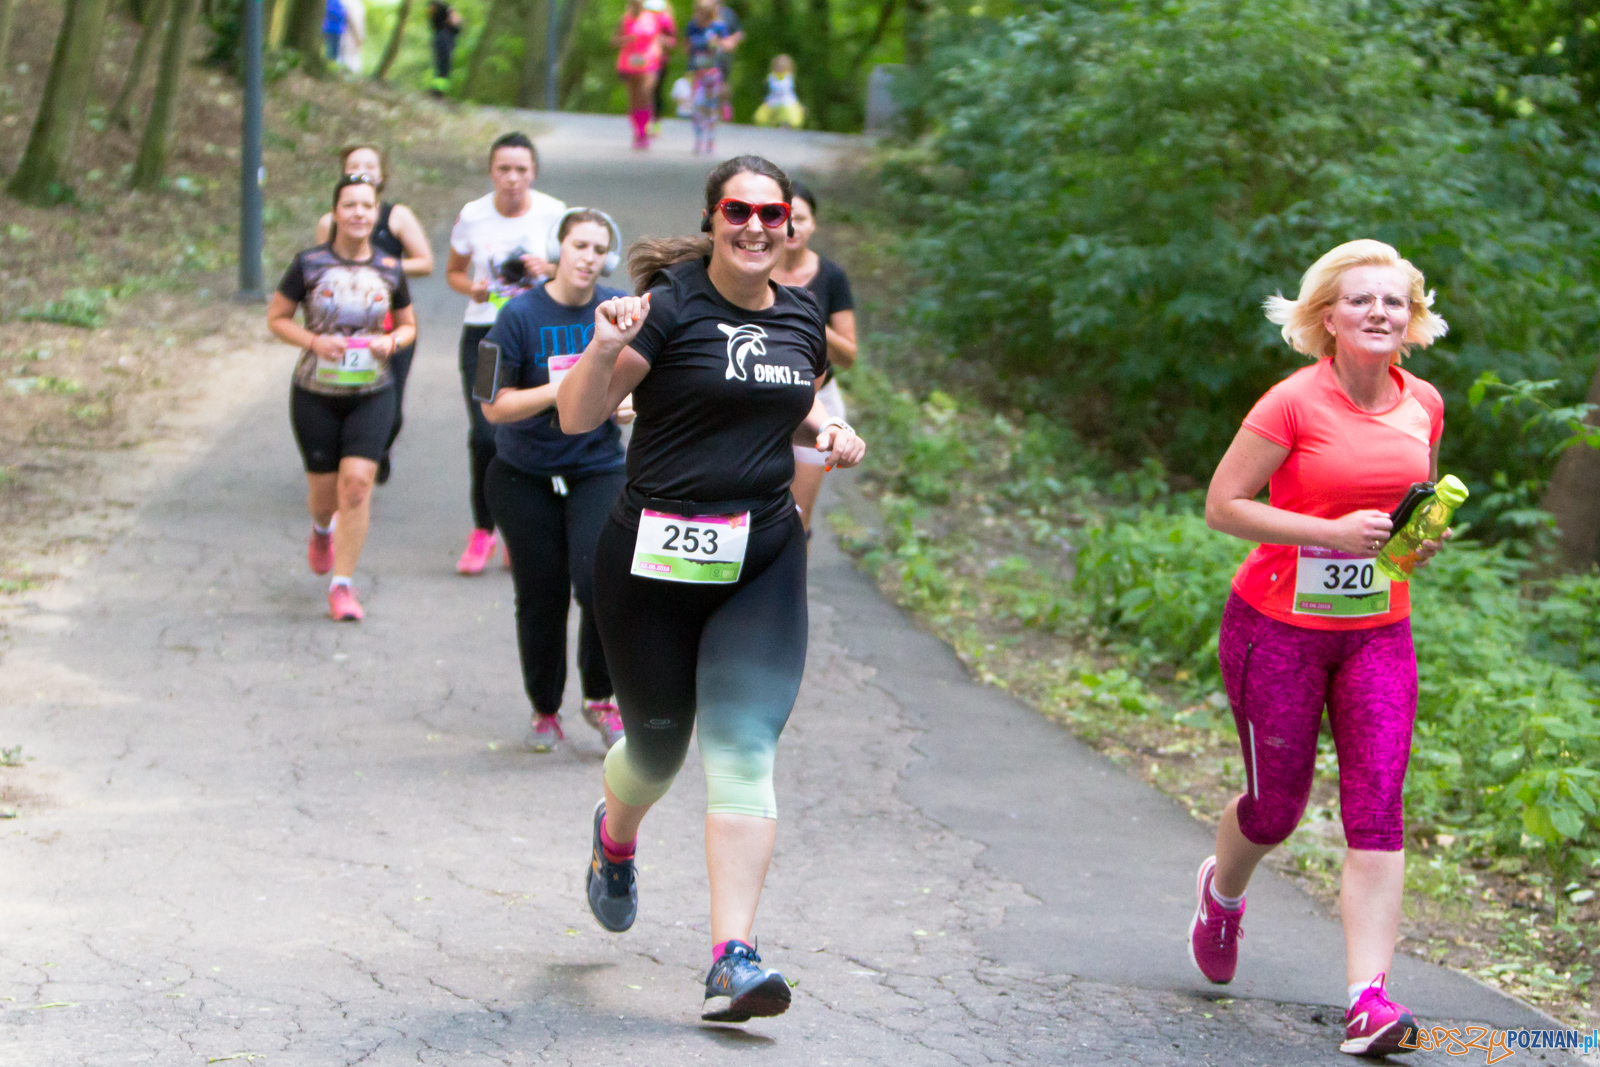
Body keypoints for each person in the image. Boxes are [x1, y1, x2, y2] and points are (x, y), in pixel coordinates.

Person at [555, 156, 866, 1022]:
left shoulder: (802, 314)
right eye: (741, 210)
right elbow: (582, 417)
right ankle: (614, 840)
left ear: (793, 227)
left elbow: (785, 396)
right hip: (651, 564)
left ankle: (735, 957)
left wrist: (828, 427)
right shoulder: (671, 306)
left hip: (760, 559)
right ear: (713, 216)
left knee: (742, 748)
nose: (759, 226)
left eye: (776, 214)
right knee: (655, 754)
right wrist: (606, 344)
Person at [1191, 239, 1449, 1057]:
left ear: (1412, 322)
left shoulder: (1425, 404)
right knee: (1278, 809)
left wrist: (1416, 542)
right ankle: (1222, 890)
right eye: (1362, 301)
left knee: (1377, 807)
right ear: (1328, 318)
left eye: (1394, 303)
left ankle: (1367, 999)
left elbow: (1406, 513)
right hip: (1277, 630)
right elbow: (1223, 506)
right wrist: (1328, 533)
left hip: (1379, 631)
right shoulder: (1291, 403)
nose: (1380, 313)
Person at [481, 209, 635, 754]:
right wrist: (567, 389)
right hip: (524, 474)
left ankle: (601, 697)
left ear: (607, 259)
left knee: (601, 582)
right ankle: (544, 708)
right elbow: (492, 406)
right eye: (579, 245)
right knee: (541, 594)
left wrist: (623, 403)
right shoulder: (515, 317)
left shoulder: (618, 310)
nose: (588, 257)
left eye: (599, 248)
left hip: (596, 467)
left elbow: (642, 381)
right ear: (559, 249)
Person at [267, 174, 416, 622]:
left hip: (372, 392)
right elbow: (277, 318)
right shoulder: (309, 264)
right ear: (334, 213)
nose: (358, 213)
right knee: (325, 496)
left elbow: (409, 325)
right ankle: (320, 529)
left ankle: (343, 586)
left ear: (376, 213)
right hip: (315, 391)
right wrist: (313, 342)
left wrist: (391, 343)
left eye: (366, 206)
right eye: (349, 205)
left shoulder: (390, 267)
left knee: (356, 485)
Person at [445, 133, 567, 575]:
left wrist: (548, 269)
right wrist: (472, 287)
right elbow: (454, 273)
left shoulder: (555, 214)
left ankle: (519, 531)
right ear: (491, 171)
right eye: (503, 169)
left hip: (537, 333)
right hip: (486, 335)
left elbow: (576, 269)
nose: (512, 179)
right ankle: (483, 531)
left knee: (531, 431)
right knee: (485, 435)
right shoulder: (473, 216)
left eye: (521, 169)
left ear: (533, 171)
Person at [315, 144, 435, 485]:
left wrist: (382, 268)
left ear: (382, 175)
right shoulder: (329, 222)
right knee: (340, 398)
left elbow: (425, 262)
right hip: (343, 325)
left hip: (391, 327)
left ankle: (377, 451)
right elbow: (319, 269)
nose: (364, 170)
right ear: (342, 173)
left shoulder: (398, 216)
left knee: (391, 410)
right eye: (355, 165)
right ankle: (347, 464)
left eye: (371, 165)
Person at [770, 183, 855, 531]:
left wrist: (812, 320)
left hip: (817, 398)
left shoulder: (832, 277)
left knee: (794, 520)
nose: (792, 227)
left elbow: (848, 356)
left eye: (800, 218)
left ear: (813, 224)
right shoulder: (754, 266)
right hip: (763, 391)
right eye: (784, 217)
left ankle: (790, 581)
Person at [614, 0, 667, 150]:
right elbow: (614, 40)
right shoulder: (624, 19)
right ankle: (638, 132)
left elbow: (658, 37)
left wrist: (659, 50)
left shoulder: (651, 18)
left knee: (645, 93)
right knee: (634, 99)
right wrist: (625, 39)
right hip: (629, 62)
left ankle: (644, 131)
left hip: (649, 61)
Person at [684, 0, 727, 155]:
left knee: (711, 107)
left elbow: (725, 46)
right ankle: (699, 138)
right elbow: (686, 48)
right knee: (696, 106)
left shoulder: (719, 27)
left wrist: (715, 43)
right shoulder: (692, 27)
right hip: (697, 72)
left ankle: (710, 139)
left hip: (713, 73)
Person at [644, 0, 677, 136]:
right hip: (644, 61)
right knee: (645, 92)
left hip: (660, 62)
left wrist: (660, 40)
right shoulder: (643, 19)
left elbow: (673, 42)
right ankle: (644, 122)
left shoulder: (666, 21)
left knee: (655, 91)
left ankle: (656, 123)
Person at [753, 54, 803, 128]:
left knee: (790, 116)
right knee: (760, 118)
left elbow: (795, 92)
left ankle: (785, 124)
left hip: (787, 102)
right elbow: (766, 91)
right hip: (773, 101)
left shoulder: (790, 77)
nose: (780, 68)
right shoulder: (770, 77)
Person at [713, 2, 743, 121]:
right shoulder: (703, 12)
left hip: (723, 55)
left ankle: (725, 111)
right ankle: (708, 111)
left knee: (724, 81)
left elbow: (739, 33)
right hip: (708, 54)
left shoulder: (728, 14)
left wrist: (731, 41)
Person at [428, 0, 463, 94]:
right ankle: (437, 91)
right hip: (444, 37)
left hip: (445, 37)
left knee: (443, 66)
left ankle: (439, 91)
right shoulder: (441, 7)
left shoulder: (443, 7)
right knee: (443, 65)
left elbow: (457, 24)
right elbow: (456, 23)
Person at [339, 0, 365, 74]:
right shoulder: (354, 3)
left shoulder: (342, 2)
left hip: (337, 36)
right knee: (350, 65)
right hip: (349, 38)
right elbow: (355, 22)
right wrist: (358, 39)